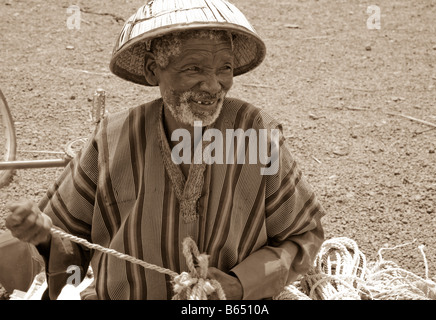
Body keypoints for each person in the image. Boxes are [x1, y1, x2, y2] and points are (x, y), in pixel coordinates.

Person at [5, 0, 326, 300]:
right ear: (151, 69)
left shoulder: (256, 135)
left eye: (224, 68)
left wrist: (240, 285)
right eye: (194, 69)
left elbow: (303, 237)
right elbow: (68, 249)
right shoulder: (111, 141)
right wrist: (42, 236)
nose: (214, 85)